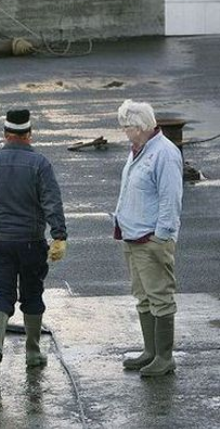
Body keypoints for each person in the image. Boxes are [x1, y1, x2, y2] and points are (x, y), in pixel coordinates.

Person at [0, 109, 67, 381]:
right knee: (32, 295)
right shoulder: (40, 164)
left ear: (5, 134)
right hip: (31, 242)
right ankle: (33, 352)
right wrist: (59, 235)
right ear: (29, 134)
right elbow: (52, 201)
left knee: (1, 295)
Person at [114, 100, 183, 377]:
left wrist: (161, 237)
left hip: (150, 239)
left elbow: (170, 198)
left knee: (160, 297)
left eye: (127, 127)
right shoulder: (139, 149)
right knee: (143, 297)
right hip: (133, 236)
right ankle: (150, 352)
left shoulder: (164, 154)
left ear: (141, 127)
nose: (124, 132)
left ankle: (164, 357)